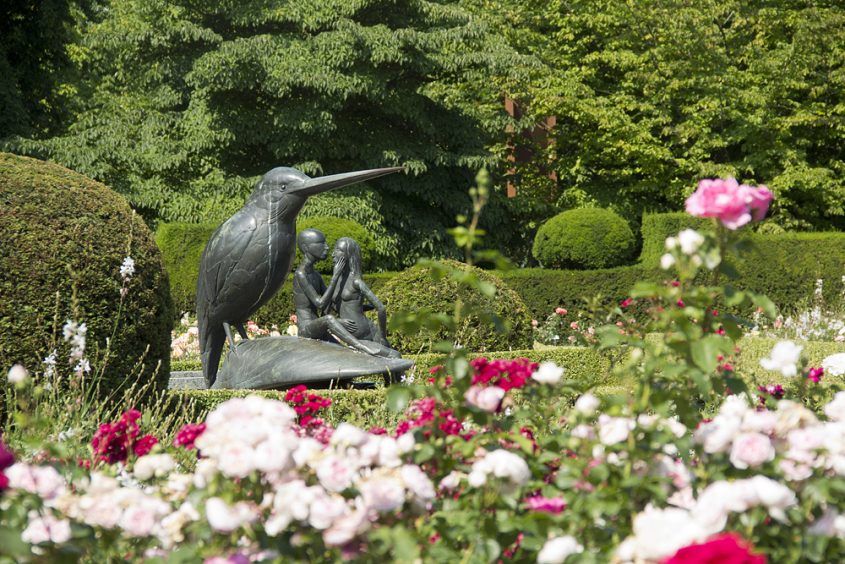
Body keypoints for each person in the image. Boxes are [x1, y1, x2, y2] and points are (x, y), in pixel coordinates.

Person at [292, 229, 386, 356]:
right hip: (306, 328)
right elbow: (320, 303)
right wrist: (335, 277)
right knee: (329, 319)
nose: (327, 247)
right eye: (321, 243)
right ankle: (362, 347)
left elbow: (331, 302)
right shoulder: (300, 274)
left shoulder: (316, 275)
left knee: (344, 353)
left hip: (319, 326)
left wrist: (357, 307)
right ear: (306, 247)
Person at [330, 237, 400, 358]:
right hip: (352, 334)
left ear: (348, 254)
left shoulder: (356, 281)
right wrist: (338, 321)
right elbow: (337, 308)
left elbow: (381, 308)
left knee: (393, 358)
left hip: (368, 332)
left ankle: (404, 377)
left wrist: (382, 336)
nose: (333, 254)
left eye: (338, 250)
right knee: (386, 361)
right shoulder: (335, 279)